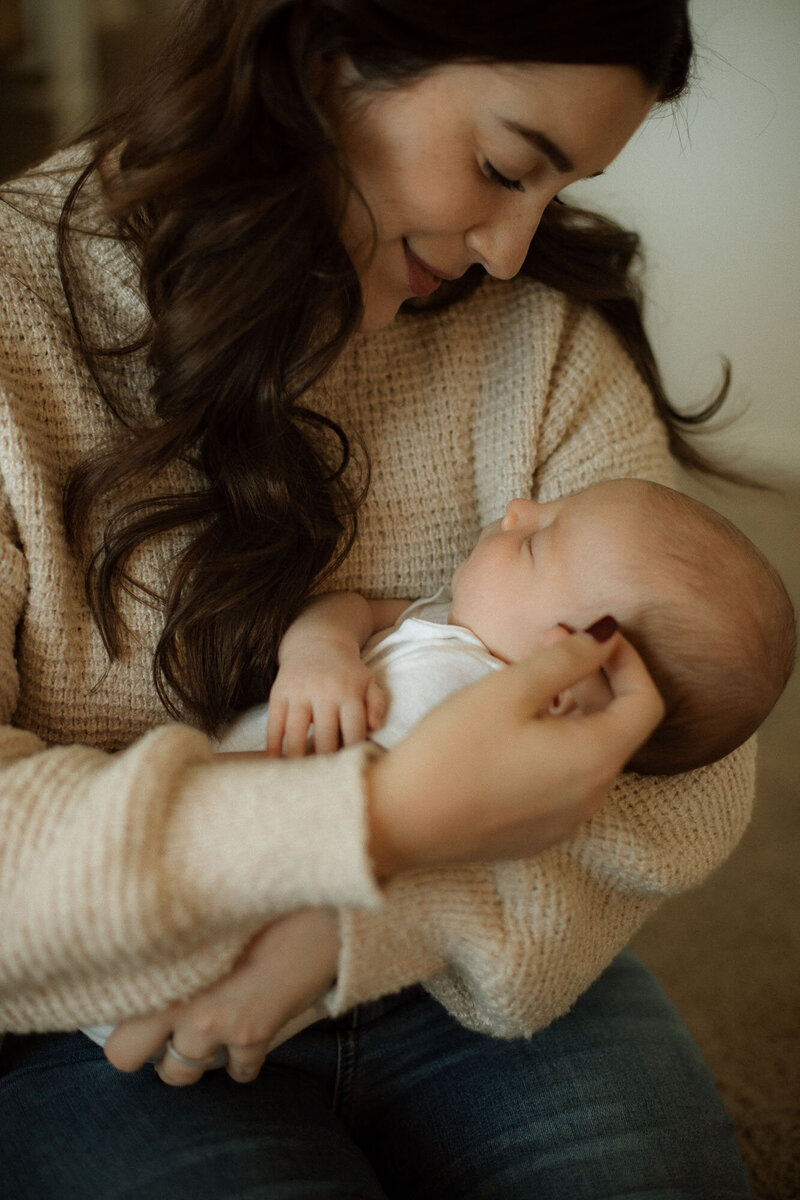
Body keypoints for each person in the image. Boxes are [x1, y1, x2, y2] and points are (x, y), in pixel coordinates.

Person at [0, 2, 757, 1197]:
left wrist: (351, 927)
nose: (510, 249)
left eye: (551, 194)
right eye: (506, 166)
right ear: (325, 61)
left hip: (480, 978)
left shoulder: (537, 344)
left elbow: (693, 766)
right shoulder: (13, 318)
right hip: (114, 1019)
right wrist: (378, 822)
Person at [228, 478, 796, 776]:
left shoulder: (472, 718)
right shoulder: (447, 621)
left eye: (533, 543)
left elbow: (319, 804)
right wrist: (321, 653)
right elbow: (350, 606)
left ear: (565, 687)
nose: (518, 507)